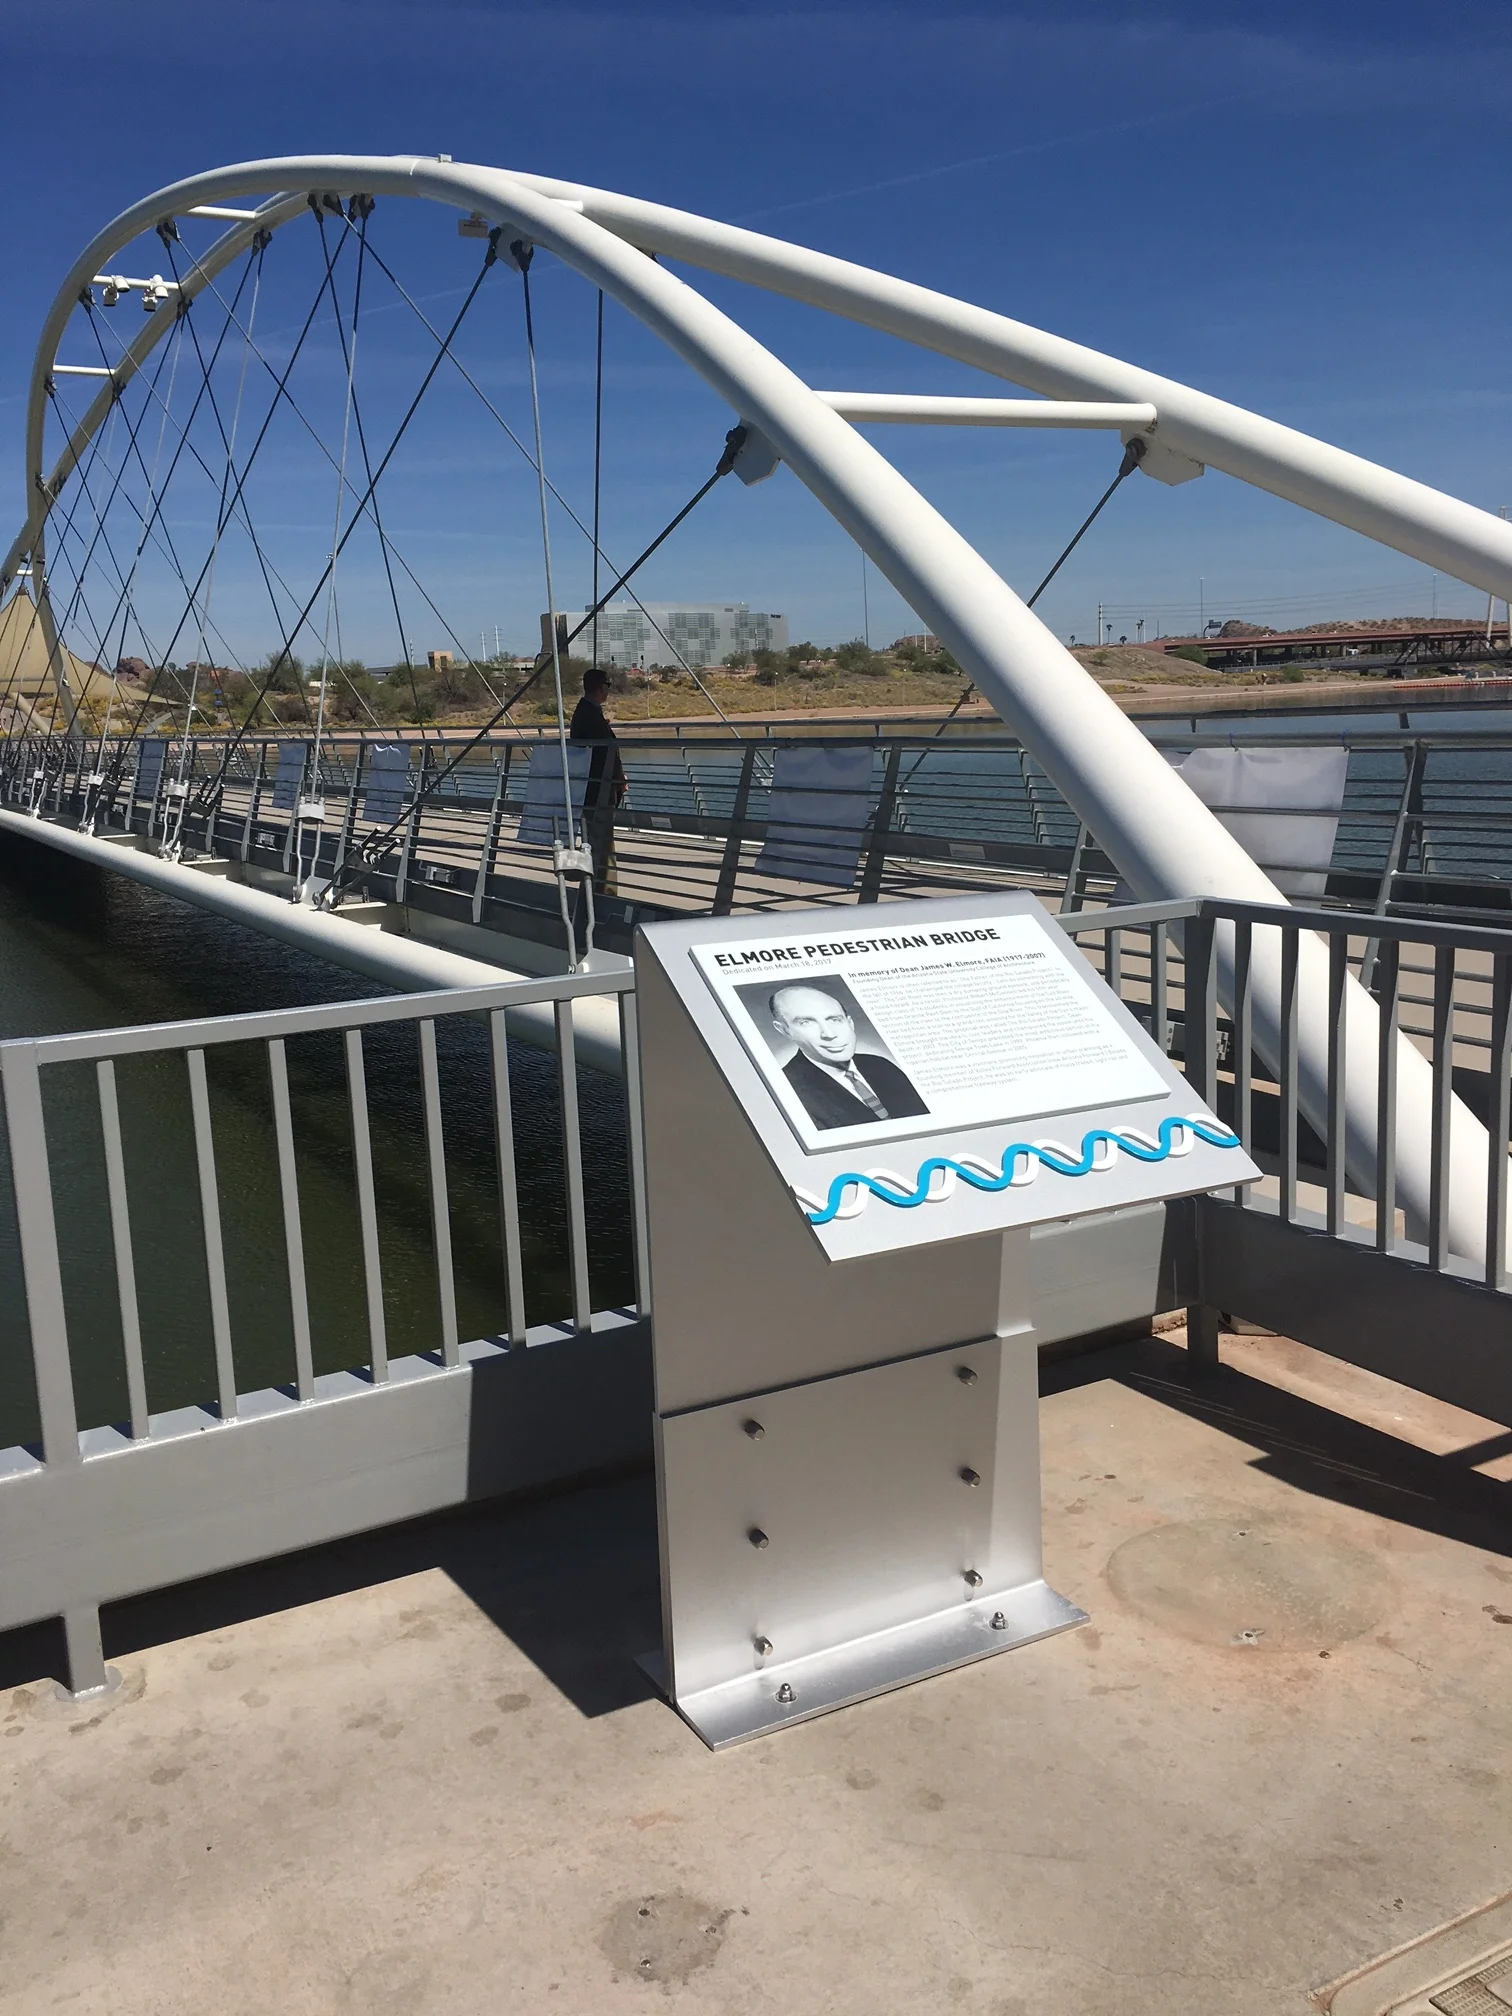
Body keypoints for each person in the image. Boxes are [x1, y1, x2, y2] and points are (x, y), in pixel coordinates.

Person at [768, 982, 928, 1130]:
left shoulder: (881, 1065)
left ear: (850, 1023)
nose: (829, 1034)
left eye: (835, 1020)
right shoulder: (786, 1090)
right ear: (785, 1030)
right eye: (806, 1022)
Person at [568, 666, 626, 894]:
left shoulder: (588, 712)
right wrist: (617, 777)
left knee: (597, 839)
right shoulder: (589, 714)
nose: (608, 691)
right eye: (607, 686)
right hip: (597, 790)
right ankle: (605, 891)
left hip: (593, 788)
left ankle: (599, 888)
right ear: (600, 687)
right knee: (602, 842)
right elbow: (602, 753)